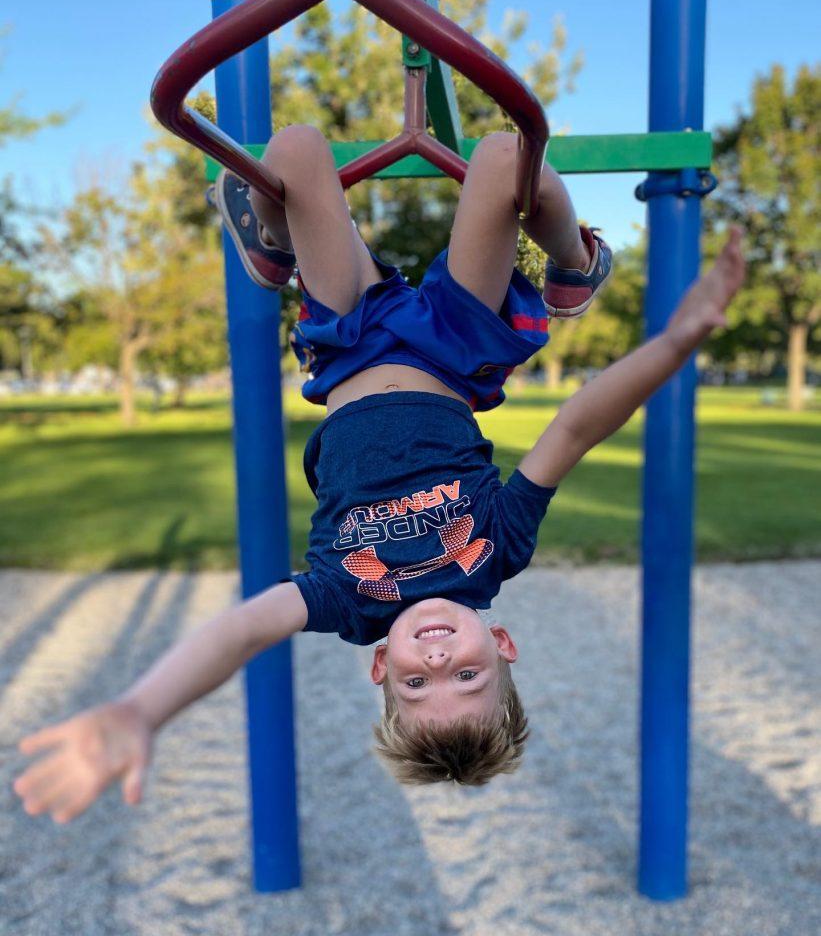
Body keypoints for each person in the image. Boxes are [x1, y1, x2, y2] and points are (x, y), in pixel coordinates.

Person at [13, 125, 745, 819]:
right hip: (451, 353)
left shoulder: (345, 600)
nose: (434, 656)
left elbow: (240, 631)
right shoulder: (496, 548)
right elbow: (576, 425)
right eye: (465, 675)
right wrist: (675, 342)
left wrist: (142, 708)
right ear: (501, 647)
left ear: (379, 670)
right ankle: (577, 265)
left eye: (415, 682)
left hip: (353, 346)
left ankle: (276, 241)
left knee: (295, 150)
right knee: (502, 157)